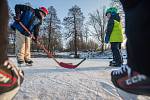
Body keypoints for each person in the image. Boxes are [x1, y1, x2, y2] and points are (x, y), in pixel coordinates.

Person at [111, 0, 150, 96]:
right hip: (119, 38)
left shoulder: (112, 20)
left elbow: (110, 30)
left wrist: (107, 37)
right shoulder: (118, 20)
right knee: (117, 50)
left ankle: (141, 70)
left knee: (132, 3)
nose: (107, 16)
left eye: (107, 14)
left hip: (114, 38)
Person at [0, 0, 24, 99]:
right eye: (43, 14)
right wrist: (18, 16)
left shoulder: (38, 21)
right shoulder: (30, 10)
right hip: (21, 29)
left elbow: (36, 29)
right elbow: (18, 6)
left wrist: (35, 35)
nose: (43, 16)